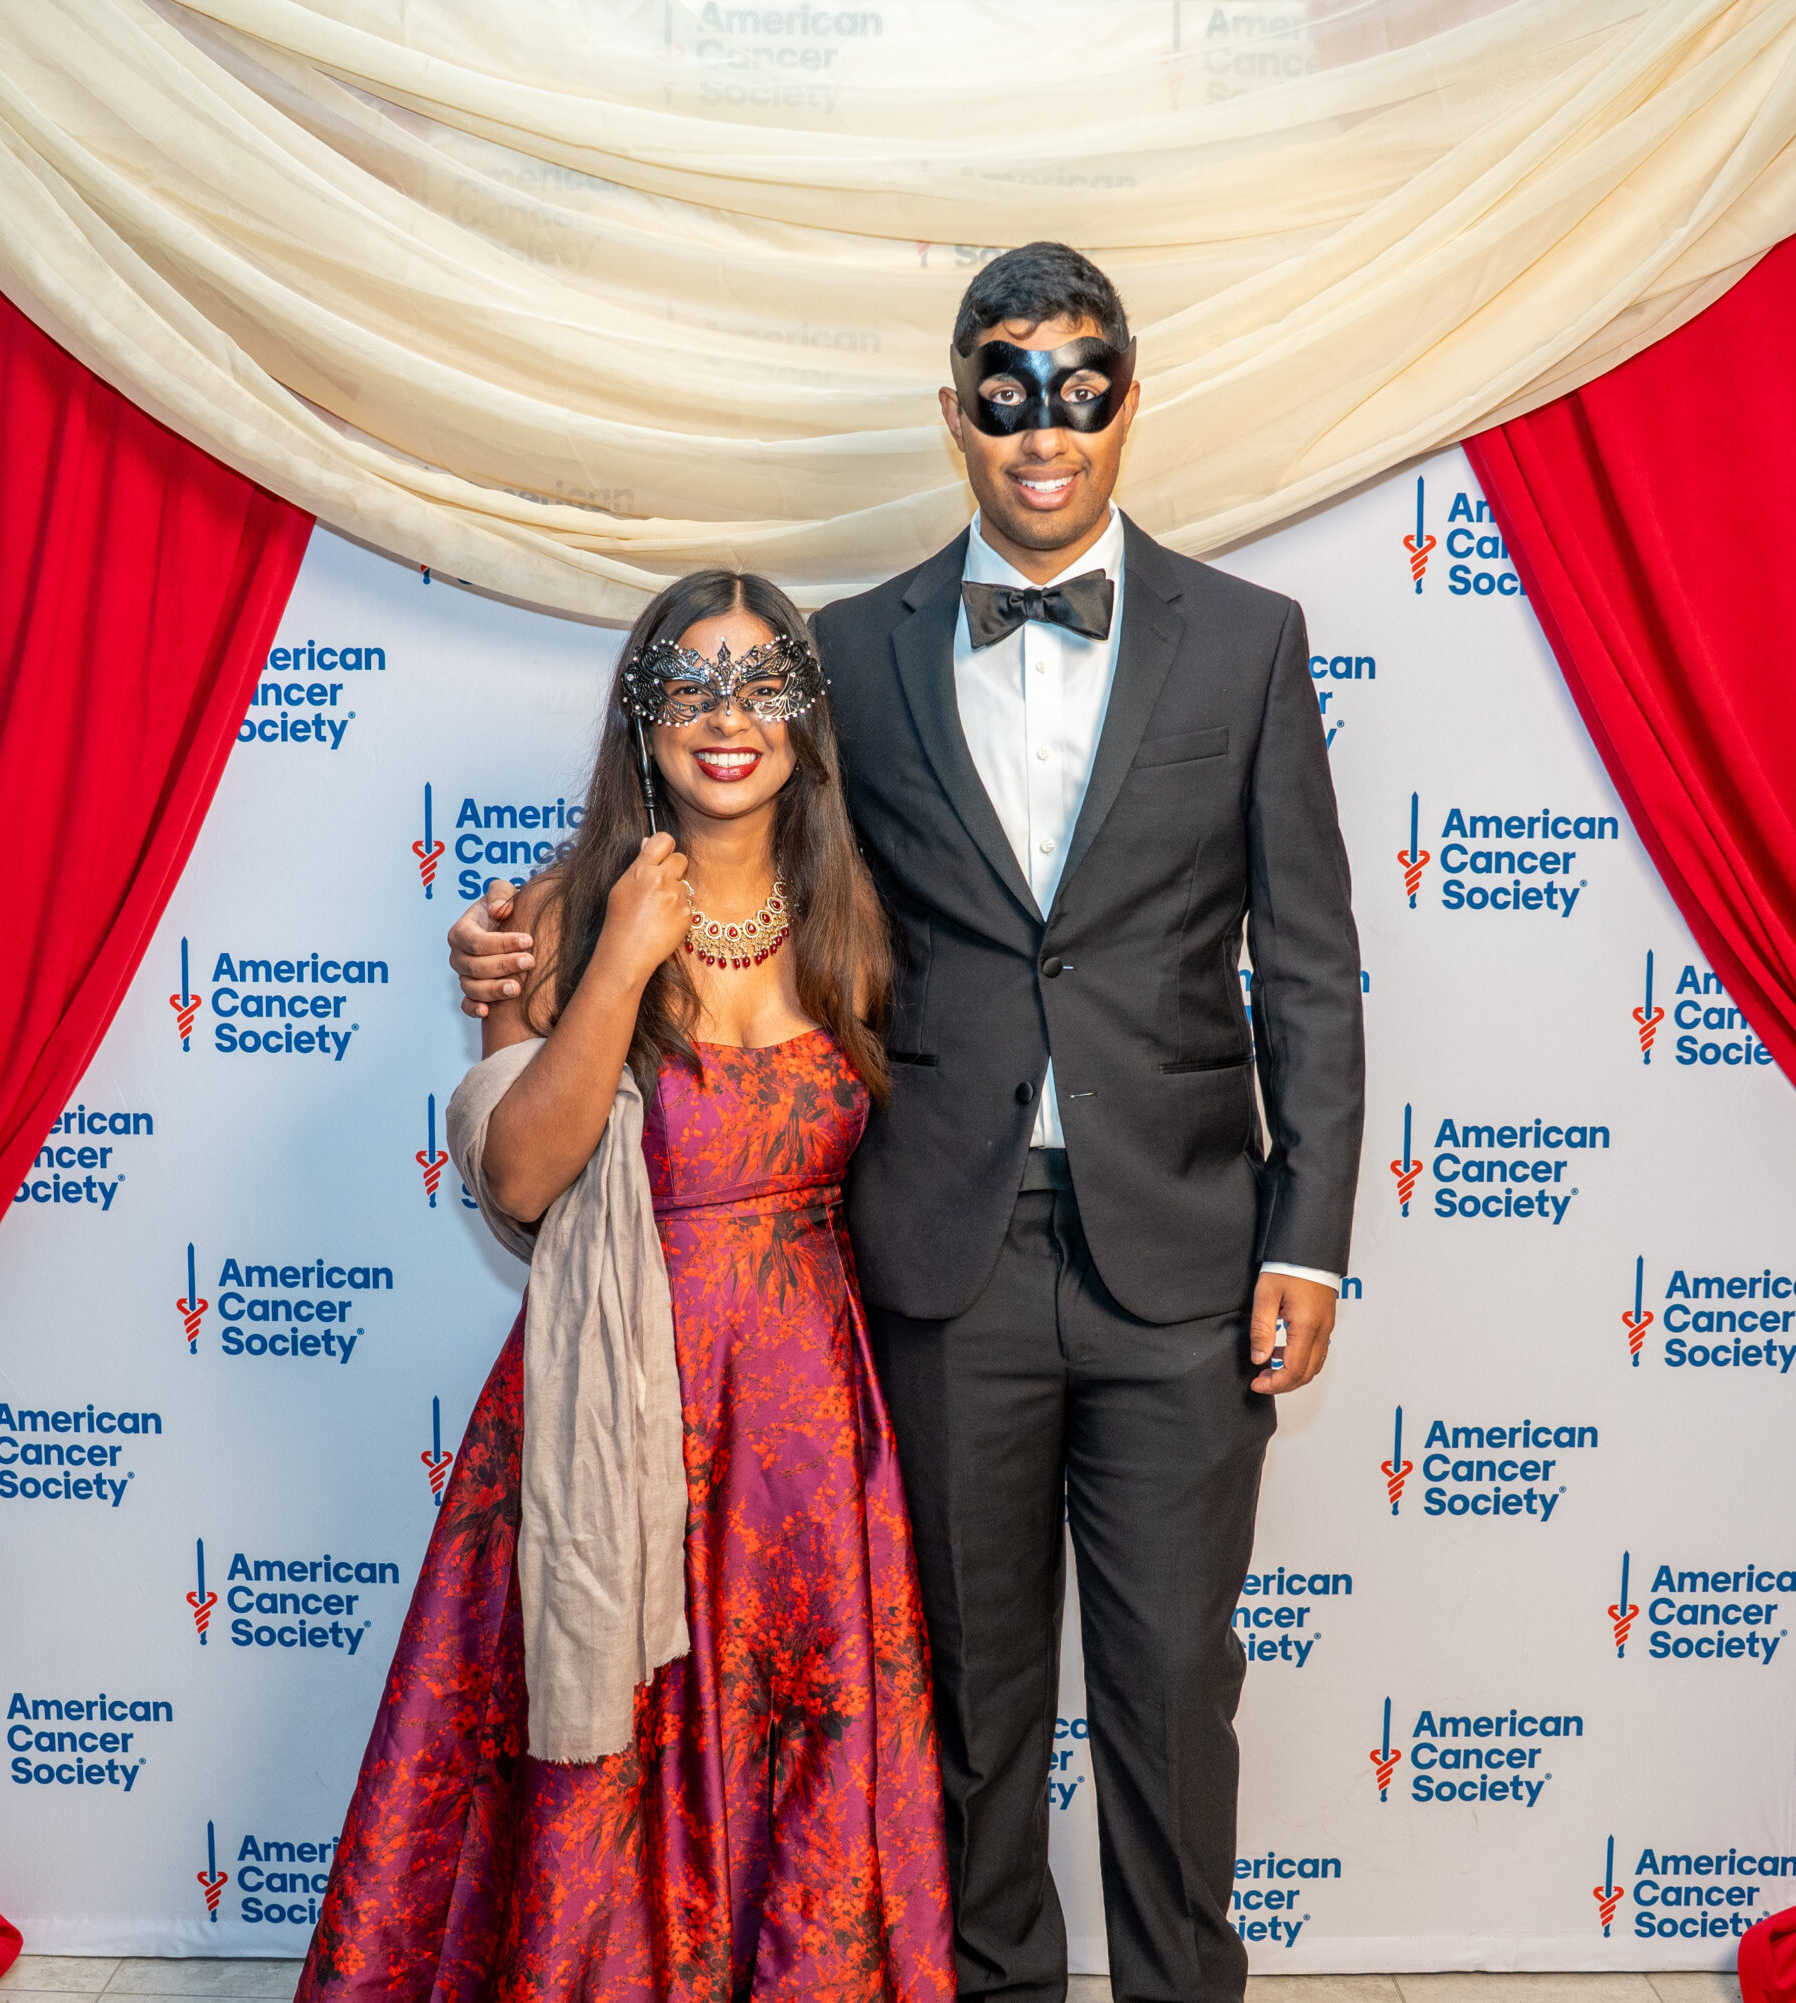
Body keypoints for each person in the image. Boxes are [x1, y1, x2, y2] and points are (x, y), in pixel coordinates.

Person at [453, 244, 1365, 2003]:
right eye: (1007, 397)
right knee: (967, 1709)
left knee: (1176, 1696)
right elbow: (725, 826)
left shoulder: (1250, 643)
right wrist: (530, 936)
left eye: (1080, 391)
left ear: (1128, 405)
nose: (1045, 433)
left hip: (1188, 1259)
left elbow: (1311, 966)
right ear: (956, 416)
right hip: (937, 1262)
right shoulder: (852, 655)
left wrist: (1309, 1239)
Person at [303, 572, 953, 2002]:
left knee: (802, 1768)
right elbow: (523, 1180)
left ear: (808, 718)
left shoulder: (858, 917)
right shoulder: (552, 915)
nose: (729, 719)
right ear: (639, 717)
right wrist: (617, 960)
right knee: (597, 1763)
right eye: (691, 687)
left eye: (763, 684)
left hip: (801, 1436)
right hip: (608, 1410)